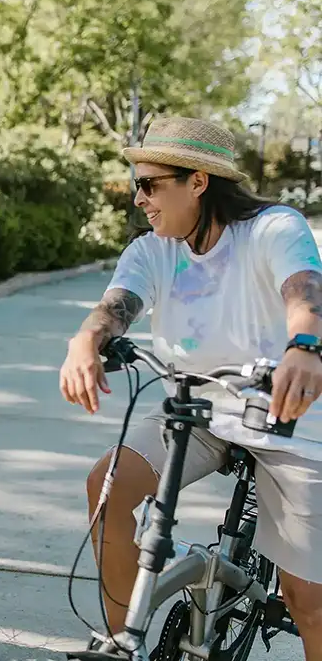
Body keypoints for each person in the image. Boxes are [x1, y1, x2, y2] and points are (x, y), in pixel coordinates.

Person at [59, 116, 322, 660]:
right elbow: (116, 306)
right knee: (106, 489)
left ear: (198, 181)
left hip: (287, 412)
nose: (139, 199)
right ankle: (119, 639)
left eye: (150, 184)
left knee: (307, 599)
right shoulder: (155, 248)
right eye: (138, 184)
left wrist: (305, 346)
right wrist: (85, 341)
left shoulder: (274, 228)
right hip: (196, 409)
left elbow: (305, 290)